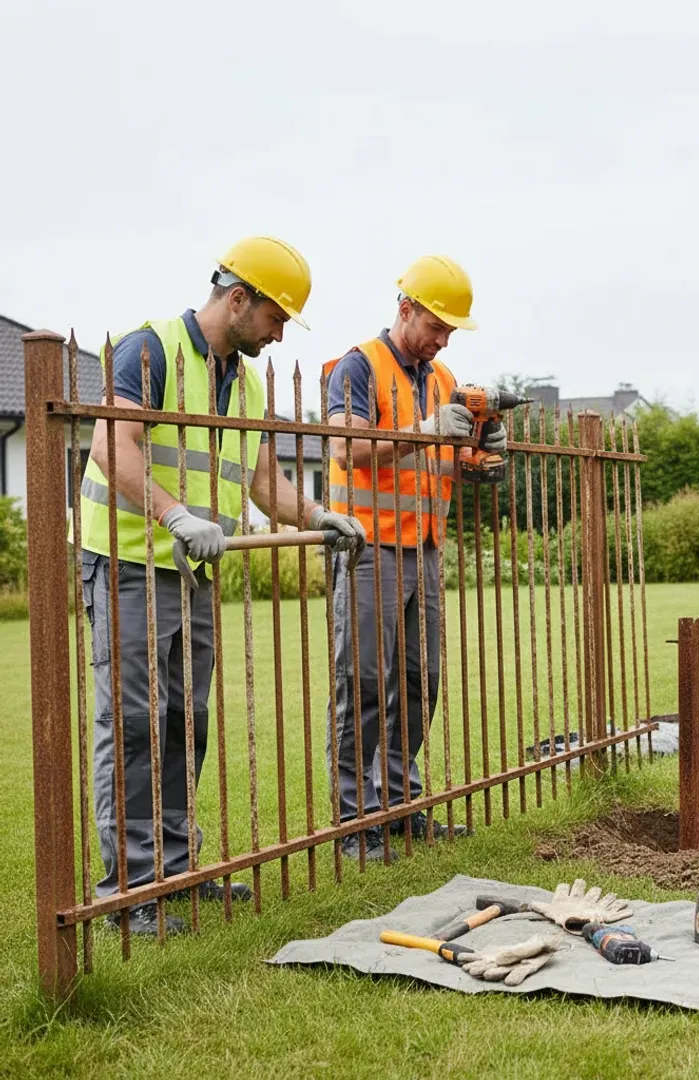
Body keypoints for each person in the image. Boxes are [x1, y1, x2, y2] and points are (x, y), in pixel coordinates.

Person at [79, 236, 365, 934]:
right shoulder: (148, 351)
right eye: (275, 316)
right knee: (137, 722)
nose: (279, 331)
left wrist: (318, 513)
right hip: (128, 561)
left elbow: (264, 479)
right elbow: (109, 444)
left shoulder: (247, 380)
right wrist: (175, 515)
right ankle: (130, 889)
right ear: (238, 298)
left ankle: (176, 871)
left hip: (195, 569)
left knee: (187, 721)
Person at [324, 255, 505, 860]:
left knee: (419, 683)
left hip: (424, 548)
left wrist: (479, 459)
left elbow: (440, 461)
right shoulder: (357, 367)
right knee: (365, 682)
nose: (442, 339)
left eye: (450, 331)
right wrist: (428, 429)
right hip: (368, 548)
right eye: (435, 326)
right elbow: (348, 447)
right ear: (404, 309)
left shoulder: (442, 376)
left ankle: (399, 805)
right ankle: (356, 820)